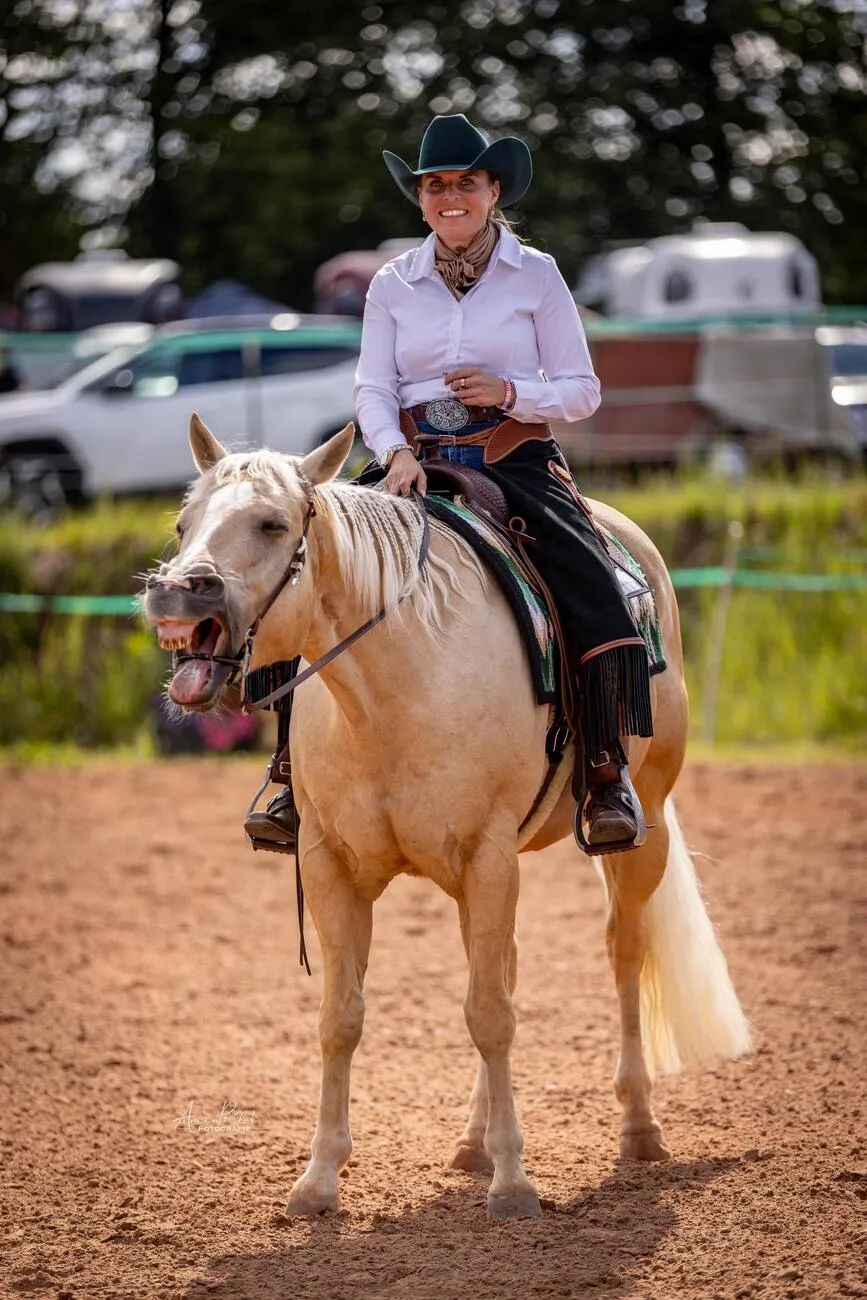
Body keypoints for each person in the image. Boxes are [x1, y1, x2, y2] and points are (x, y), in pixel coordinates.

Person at [245, 114, 653, 854]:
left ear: (493, 191)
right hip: (412, 459)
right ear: (420, 199)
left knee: (588, 582)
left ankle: (601, 772)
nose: (449, 197)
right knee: (307, 571)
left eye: (465, 183)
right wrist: (394, 451)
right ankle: (287, 776)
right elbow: (372, 387)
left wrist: (509, 393)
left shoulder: (538, 275)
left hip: (513, 457)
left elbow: (581, 390)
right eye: (435, 185)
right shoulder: (392, 284)